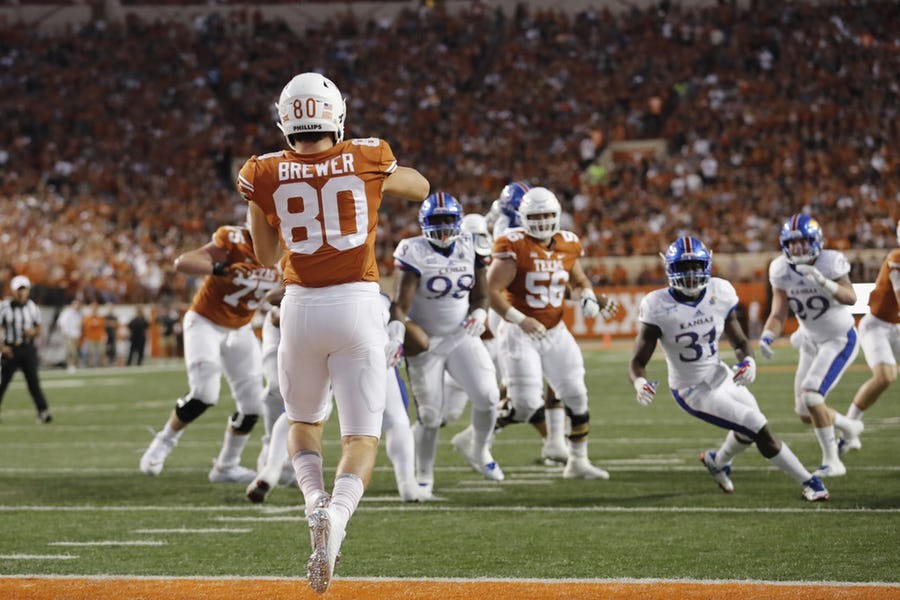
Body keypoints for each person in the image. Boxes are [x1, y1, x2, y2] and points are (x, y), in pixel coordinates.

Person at [243, 72, 429, 594]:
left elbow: (264, 255)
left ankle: (312, 504)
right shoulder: (368, 155)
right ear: (336, 115)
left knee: (302, 425)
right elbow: (421, 188)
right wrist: (373, 173)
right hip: (357, 303)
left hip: (298, 308)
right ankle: (338, 520)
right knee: (361, 438)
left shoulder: (262, 170)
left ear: (286, 121)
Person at [629, 236, 828, 502]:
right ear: (670, 269)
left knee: (748, 426)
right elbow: (637, 361)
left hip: (720, 374)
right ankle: (810, 482)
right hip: (691, 389)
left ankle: (717, 461)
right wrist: (639, 382)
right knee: (757, 425)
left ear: (707, 265)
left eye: (695, 266)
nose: (690, 275)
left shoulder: (720, 291)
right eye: (683, 268)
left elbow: (740, 341)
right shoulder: (656, 305)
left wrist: (748, 361)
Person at [487, 186, 616, 479]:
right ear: (523, 217)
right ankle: (480, 433)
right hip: (520, 330)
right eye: (536, 215)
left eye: (548, 215)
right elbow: (492, 291)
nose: (543, 221)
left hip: (555, 330)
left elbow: (578, 280)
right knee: (525, 403)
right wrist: (520, 320)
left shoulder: (568, 243)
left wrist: (587, 297)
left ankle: (577, 461)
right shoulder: (512, 243)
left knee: (576, 393)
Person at [139, 223, 279, 484]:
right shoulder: (235, 240)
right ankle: (165, 441)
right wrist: (221, 268)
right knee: (204, 393)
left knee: (252, 406)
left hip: (241, 328)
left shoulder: (288, 253)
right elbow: (183, 262)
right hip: (205, 321)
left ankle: (226, 466)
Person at [388, 192, 503, 499]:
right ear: (424, 223)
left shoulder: (471, 245)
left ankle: (479, 449)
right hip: (426, 343)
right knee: (429, 415)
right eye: (435, 221)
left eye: (447, 220)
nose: (442, 228)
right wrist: (397, 336)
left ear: (458, 220)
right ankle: (424, 474)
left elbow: (481, 294)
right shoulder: (413, 251)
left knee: (489, 395)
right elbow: (400, 303)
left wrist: (480, 312)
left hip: (461, 335)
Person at [759, 214, 863, 477]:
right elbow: (779, 312)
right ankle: (849, 427)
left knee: (812, 395)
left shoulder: (830, 261)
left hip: (839, 338)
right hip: (810, 340)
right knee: (805, 411)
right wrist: (767, 335)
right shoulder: (780, 269)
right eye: (792, 243)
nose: (797, 248)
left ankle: (832, 461)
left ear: (815, 241)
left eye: (803, 241)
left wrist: (823, 282)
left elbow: (851, 298)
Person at [841, 218, 900, 453]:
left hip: (896, 327)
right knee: (885, 376)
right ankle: (849, 426)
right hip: (877, 326)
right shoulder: (896, 258)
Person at [0, 276, 52, 423]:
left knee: (34, 382)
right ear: (13, 291)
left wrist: (32, 332)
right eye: (19, 290)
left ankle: (43, 411)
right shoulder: (4, 307)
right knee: (2, 382)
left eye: (24, 289)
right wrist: (2, 347)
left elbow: (39, 328)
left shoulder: (32, 307)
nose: (21, 293)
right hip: (10, 349)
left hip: (27, 349)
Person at [56, 298, 83, 373]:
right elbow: (60, 322)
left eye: (78, 305)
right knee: (71, 351)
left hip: (76, 335)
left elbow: (79, 325)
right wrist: (64, 332)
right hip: (69, 334)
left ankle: (74, 365)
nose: (77, 306)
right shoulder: (67, 312)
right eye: (76, 304)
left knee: (75, 351)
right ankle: (70, 365)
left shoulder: (79, 314)